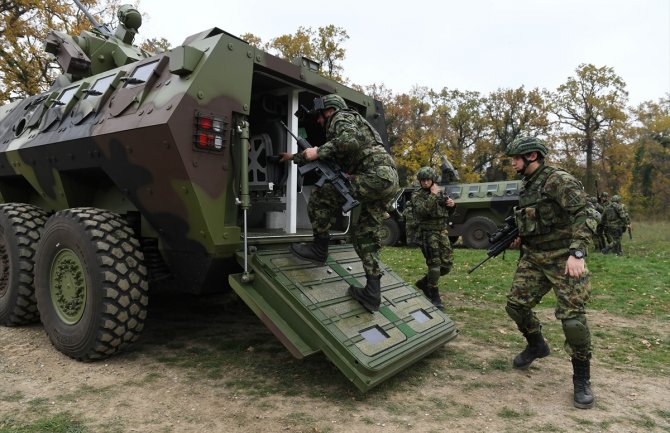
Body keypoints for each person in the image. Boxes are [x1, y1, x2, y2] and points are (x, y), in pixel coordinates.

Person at [280, 94, 399, 312]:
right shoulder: (355, 121)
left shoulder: (341, 117)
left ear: (329, 110)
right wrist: (295, 157)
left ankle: (319, 249)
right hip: (387, 180)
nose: (318, 121)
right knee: (365, 235)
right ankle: (372, 293)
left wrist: (317, 151)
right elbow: (332, 155)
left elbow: (348, 142)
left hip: (374, 177)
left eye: (320, 116)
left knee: (319, 197)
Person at [504, 136, 599, 409]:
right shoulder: (528, 184)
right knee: (516, 306)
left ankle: (582, 379)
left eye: (516, 158)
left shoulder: (557, 180)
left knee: (573, 321)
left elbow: (587, 212)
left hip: (564, 258)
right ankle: (536, 345)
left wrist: (577, 252)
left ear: (532, 156)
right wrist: (523, 235)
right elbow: (538, 219)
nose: (512, 163)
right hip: (534, 258)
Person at [411, 167, 456, 310]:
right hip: (428, 233)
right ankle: (434, 296)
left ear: (433, 180)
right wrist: (432, 195)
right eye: (422, 180)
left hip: (442, 232)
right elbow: (422, 211)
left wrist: (452, 205)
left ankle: (425, 282)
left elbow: (446, 212)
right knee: (434, 266)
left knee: (446, 266)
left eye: (427, 180)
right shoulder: (416, 195)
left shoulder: (440, 192)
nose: (425, 183)